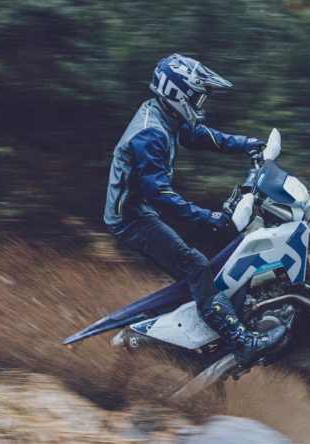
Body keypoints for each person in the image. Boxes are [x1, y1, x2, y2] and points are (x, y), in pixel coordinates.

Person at [104, 54, 286, 367]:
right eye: (198, 97)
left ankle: (217, 323)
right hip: (132, 218)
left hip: (142, 208)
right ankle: (242, 342)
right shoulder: (151, 134)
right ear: (178, 93)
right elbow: (160, 195)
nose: (201, 103)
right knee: (196, 266)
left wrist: (247, 144)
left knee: (213, 261)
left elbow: (199, 135)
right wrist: (210, 218)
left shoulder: (166, 115)